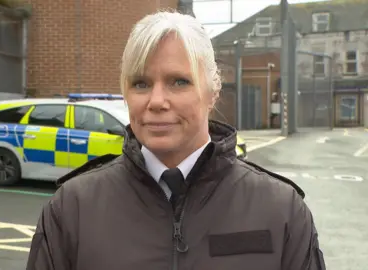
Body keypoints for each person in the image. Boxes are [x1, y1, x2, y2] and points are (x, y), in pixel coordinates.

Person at [25, 10, 326, 270]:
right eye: (141, 83)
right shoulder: (72, 209)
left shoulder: (281, 211)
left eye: (178, 82)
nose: (156, 101)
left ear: (213, 91)